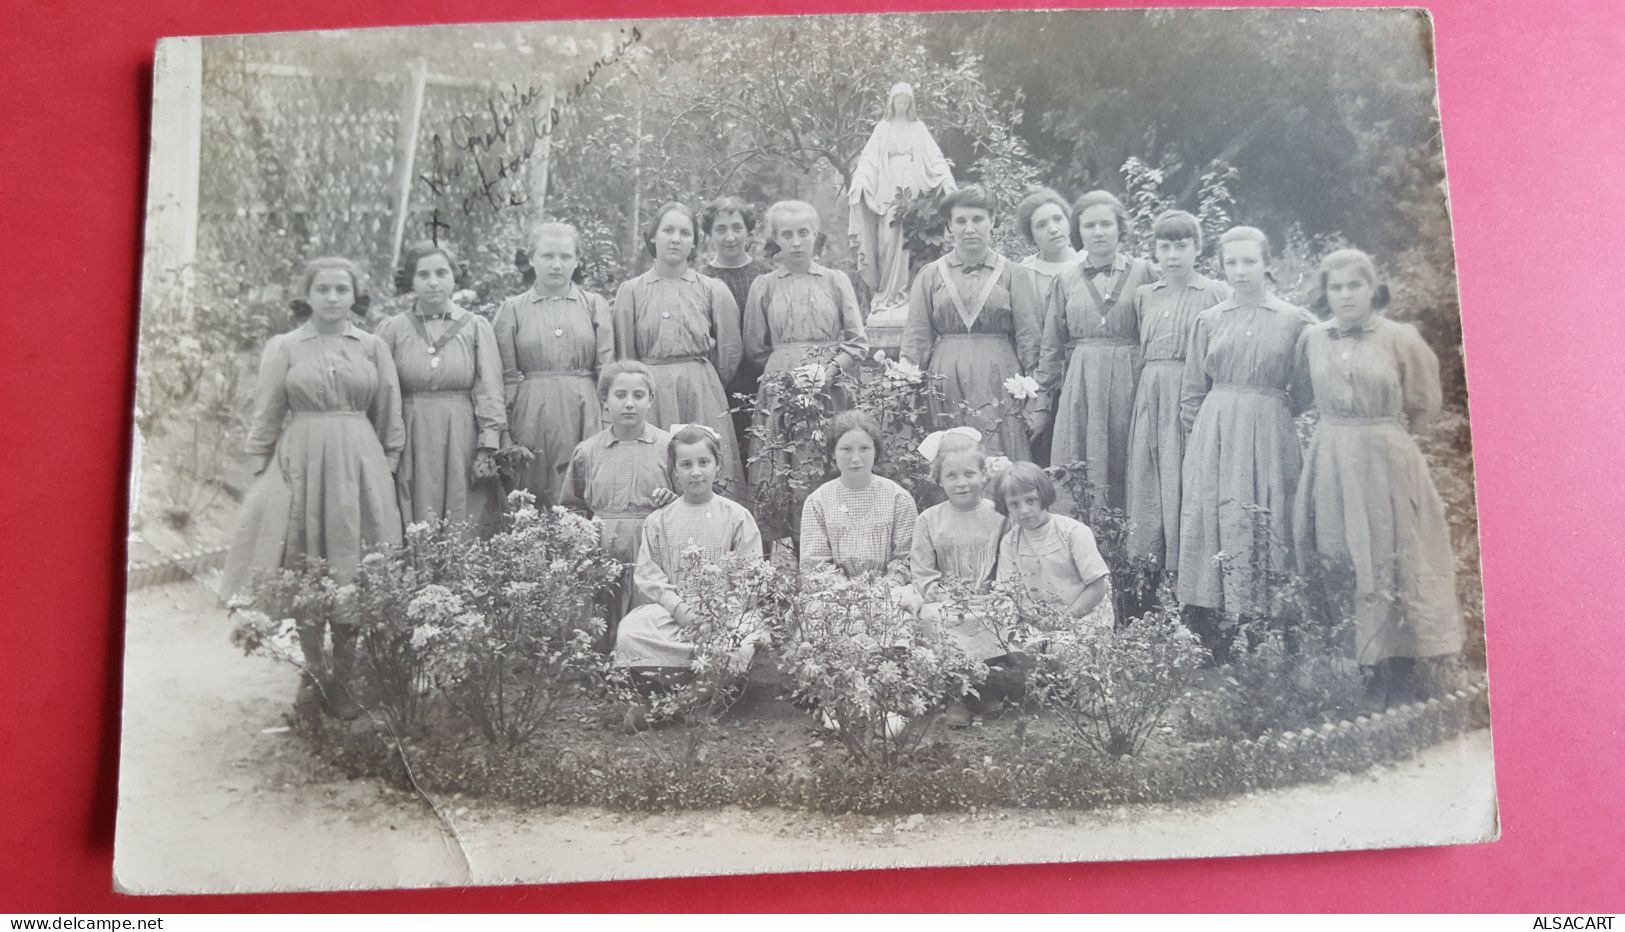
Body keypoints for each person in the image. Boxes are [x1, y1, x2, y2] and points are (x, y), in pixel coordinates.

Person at [221, 257, 406, 719]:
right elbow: (267, 412)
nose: (331, 297)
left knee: (350, 562)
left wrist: (385, 466)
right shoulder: (285, 346)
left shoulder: (372, 345)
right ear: (307, 295)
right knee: (306, 562)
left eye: (341, 289)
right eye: (322, 289)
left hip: (357, 464)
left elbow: (390, 414)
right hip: (299, 460)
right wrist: (260, 467)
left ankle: (344, 675)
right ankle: (315, 670)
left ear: (354, 295)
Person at [1292, 248, 1463, 705]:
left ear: (1373, 290)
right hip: (1330, 456)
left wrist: (1384, 438)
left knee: (1393, 552)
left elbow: (1424, 404)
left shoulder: (1400, 338)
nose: (1346, 296)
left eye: (1355, 286)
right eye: (1336, 287)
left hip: (1386, 457)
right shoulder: (1312, 338)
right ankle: (1352, 662)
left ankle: (1399, 666)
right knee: (1338, 547)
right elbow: (1301, 392)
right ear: (1325, 293)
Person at [1178, 226, 1318, 640]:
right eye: (1232, 263)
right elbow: (1191, 390)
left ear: (1267, 263)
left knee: (1268, 511)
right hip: (1215, 431)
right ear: (1220, 266)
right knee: (1212, 513)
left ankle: (1270, 625)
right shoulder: (1209, 320)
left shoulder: (1293, 321)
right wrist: (1202, 436)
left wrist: (1271, 410)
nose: (1240, 271)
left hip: (1270, 430)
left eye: (1249, 261)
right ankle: (1209, 628)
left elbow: (1305, 386)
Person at [1032, 191, 1160, 510]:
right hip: (1083, 380)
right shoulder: (1065, 280)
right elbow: (1051, 345)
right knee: (1080, 458)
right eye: (1090, 226)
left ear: (1120, 228)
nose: (1098, 232)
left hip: (1130, 380)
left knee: (1129, 452)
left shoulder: (1145, 272)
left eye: (1106, 224)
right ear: (1078, 232)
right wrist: (1042, 403)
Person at [900, 184, 1044, 460]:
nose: (969, 228)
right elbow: (917, 339)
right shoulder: (930, 275)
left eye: (978, 219)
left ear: (992, 222)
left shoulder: (1015, 275)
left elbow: (1030, 340)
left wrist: (1036, 399)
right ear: (949, 226)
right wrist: (906, 390)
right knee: (953, 455)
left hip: (1000, 377)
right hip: (946, 379)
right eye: (960, 221)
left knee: (1000, 453)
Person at [1125, 211, 1231, 577]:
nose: (1172, 255)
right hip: (1150, 393)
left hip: (1191, 392)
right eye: (1165, 246)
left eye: (1181, 246)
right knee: (1149, 476)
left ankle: (1191, 571)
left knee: (1187, 478)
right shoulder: (1145, 295)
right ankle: (1149, 573)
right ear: (1154, 249)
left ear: (1197, 248)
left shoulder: (1216, 292)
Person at [612, 201, 745, 493]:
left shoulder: (712, 289)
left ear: (695, 242)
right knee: (657, 472)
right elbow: (625, 356)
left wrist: (702, 381)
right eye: (668, 230)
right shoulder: (632, 291)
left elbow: (730, 351)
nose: (675, 238)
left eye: (685, 233)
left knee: (705, 472)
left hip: (701, 392)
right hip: (651, 394)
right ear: (652, 237)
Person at [375, 241, 506, 536]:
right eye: (423, 275)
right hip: (411, 432)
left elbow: (490, 389)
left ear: (454, 276)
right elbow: (382, 392)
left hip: (460, 433)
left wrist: (488, 446)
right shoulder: (393, 329)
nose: (433, 282)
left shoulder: (475, 326)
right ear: (411, 280)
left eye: (441, 272)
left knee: (463, 510)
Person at [613, 425, 765, 676]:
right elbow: (650, 575)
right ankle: (672, 687)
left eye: (704, 462)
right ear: (674, 472)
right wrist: (679, 609)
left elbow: (752, 577)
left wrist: (721, 614)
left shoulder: (737, 517)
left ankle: (700, 696)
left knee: (738, 645)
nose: (696, 472)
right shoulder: (659, 520)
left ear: (718, 466)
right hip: (674, 614)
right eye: (686, 465)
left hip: (724, 615)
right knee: (631, 633)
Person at [743, 200, 869, 494]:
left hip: (830, 386)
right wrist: (785, 368)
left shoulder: (835, 281)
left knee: (824, 457)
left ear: (816, 235)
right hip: (780, 386)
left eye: (804, 232)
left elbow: (857, 342)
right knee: (779, 463)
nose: (796, 242)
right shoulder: (764, 286)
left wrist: (829, 370)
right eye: (787, 235)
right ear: (776, 239)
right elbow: (754, 346)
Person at [493, 222, 615, 508]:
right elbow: (506, 376)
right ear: (532, 259)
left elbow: (606, 371)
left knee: (583, 486)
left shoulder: (594, 305)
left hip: (584, 409)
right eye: (547, 256)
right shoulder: (513, 309)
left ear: (577, 260)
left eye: (565, 256)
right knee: (531, 490)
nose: (556, 265)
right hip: (531, 412)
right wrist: (506, 432)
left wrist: (607, 420)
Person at [561, 361, 676, 636]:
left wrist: (672, 501)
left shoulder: (668, 447)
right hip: (603, 548)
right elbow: (572, 507)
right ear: (604, 401)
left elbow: (689, 503)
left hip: (652, 548)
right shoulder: (587, 452)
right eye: (620, 395)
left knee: (649, 619)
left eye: (638, 396)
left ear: (651, 400)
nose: (629, 404)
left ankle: (648, 672)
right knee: (603, 619)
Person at [910, 429, 1010, 726]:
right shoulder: (929, 519)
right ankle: (956, 692)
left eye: (969, 473)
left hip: (986, 596)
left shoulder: (999, 516)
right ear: (939, 480)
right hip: (945, 598)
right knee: (932, 616)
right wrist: (942, 595)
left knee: (998, 613)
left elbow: (1008, 563)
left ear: (983, 475)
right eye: (952, 476)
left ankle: (982, 687)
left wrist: (993, 593)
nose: (962, 482)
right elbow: (923, 571)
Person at [848, 81, 957, 312]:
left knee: (911, 238)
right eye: (899, 99)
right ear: (892, 101)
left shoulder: (918, 128)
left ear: (910, 103)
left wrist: (946, 180)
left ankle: (909, 294)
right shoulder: (883, 128)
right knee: (887, 239)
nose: (902, 104)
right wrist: (859, 182)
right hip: (887, 187)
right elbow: (869, 160)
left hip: (913, 185)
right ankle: (887, 293)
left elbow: (934, 158)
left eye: (906, 100)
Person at [799, 409, 917, 583]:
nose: (855, 458)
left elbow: (906, 560)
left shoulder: (899, 498)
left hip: (891, 594)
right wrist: (848, 594)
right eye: (846, 449)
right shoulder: (818, 502)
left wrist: (882, 591)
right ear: (833, 453)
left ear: (875, 451)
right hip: (835, 597)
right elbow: (814, 564)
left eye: (864, 448)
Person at [702, 197, 774, 449]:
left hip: (762, 376)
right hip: (721, 381)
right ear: (709, 234)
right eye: (720, 229)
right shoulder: (702, 280)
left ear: (748, 231)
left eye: (737, 228)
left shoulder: (767, 275)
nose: (729, 237)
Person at [1015, 187, 1082, 293]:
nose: (1053, 229)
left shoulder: (1088, 261)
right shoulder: (1025, 274)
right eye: (1041, 225)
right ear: (1031, 235)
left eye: (1058, 219)